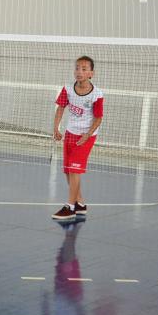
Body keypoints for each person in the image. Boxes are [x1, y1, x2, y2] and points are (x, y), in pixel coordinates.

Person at [51, 56, 103, 221]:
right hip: (70, 133)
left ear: (91, 73)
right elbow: (60, 109)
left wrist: (88, 134)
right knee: (68, 170)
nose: (79, 71)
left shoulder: (96, 94)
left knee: (74, 170)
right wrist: (56, 128)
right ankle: (80, 203)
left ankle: (70, 207)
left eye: (84, 69)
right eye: (77, 68)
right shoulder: (67, 89)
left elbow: (98, 118)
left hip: (85, 137)